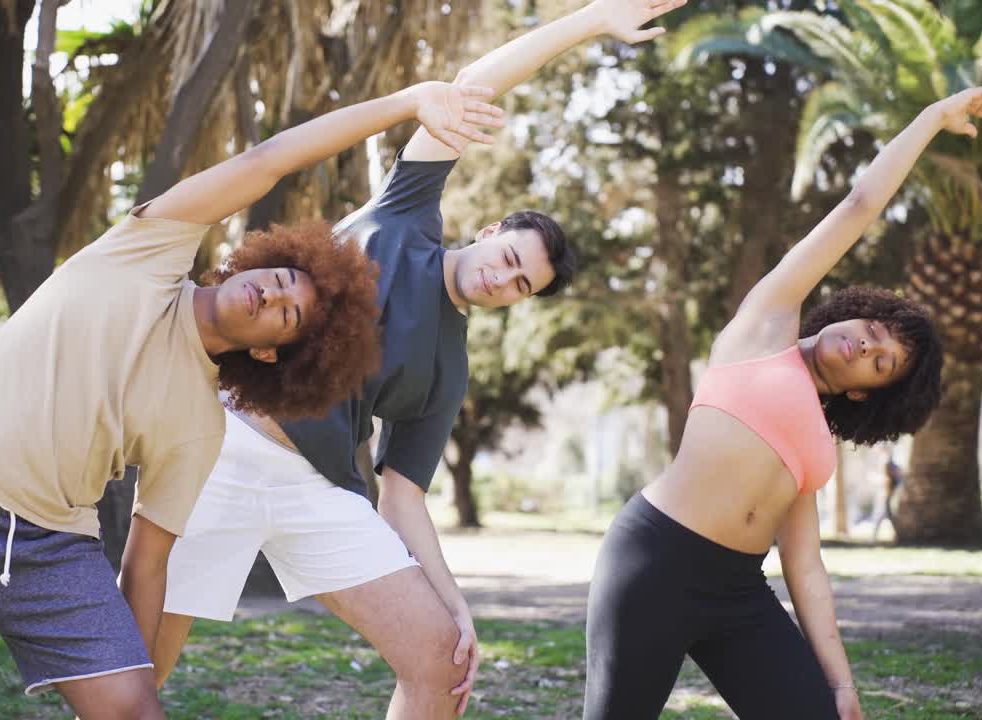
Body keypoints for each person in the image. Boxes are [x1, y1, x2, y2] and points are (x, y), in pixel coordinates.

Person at [0, 81, 504, 720]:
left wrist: (136, 678)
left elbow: (146, 562)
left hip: (54, 548)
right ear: (255, 261)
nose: (274, 295)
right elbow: (270, 158)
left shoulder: (199, 426)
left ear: (269, 353)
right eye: (284, 278)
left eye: (288, 316)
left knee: (134, 712)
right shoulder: (148, 249)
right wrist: (409, 103)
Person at [153, 1, 687, 716]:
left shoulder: (449, 371)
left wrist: (455, 601)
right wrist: (590, 21)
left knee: (442, 663)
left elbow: (403, 495)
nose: (502, 278)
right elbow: (475, 86)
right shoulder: (405, 214)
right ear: (492, 229)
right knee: (141, 668)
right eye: (508, 258)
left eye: (520, 284)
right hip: (225, 446)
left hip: (319, 490)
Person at [584, 86, 982, 720]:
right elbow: (860, 202)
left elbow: (805, 567)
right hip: (656, 560)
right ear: (857, 312)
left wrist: (840, 684)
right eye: (873, 331)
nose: (864, 345)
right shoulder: (765, 326)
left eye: (880, 363)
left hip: (737, 590)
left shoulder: (815, 448)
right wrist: (929, 120)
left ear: (863, 392)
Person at [871, 457, 904, 541]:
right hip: (887, 500)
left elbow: (888, 492)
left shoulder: (890, 479)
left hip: (887, 501)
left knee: (882, 518)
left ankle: (898, 536)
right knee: (885, 518)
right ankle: (898, 536)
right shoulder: (893, 479)